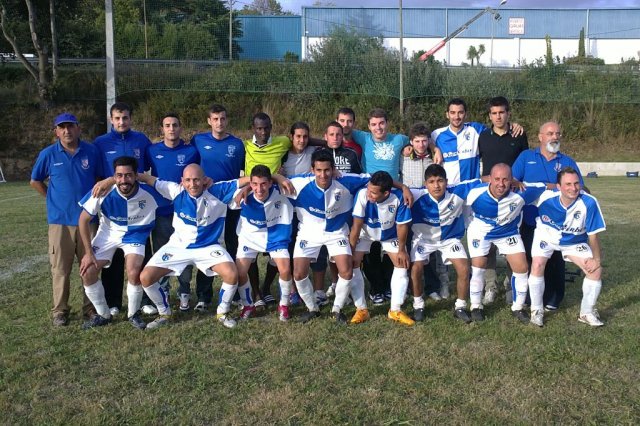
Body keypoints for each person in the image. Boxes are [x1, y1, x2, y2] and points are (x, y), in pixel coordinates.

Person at [286, 149, 411, 324]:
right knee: (299, 274)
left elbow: (377, 178)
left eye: (327, 170)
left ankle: (337, 309)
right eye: (319, 170)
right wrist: (274, 179)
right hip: (309, 232)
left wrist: (403, 187)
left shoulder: (346, 180)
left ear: (334, 169)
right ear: (312, 170)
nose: (323, 174)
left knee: (347, 270)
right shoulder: (299, 183)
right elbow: (268, 182)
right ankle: (312, 308)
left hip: (337, 232)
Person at [136, 164, 259, 329]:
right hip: (178, 247)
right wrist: (115, 179)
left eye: (196, 180)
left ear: (204, 180)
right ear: (182, 181)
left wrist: (275, 178)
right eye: (188, 180)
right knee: (146, 277)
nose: (192, 184)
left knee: (231, 274)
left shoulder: (217, 190)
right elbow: (149, 179)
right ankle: (164, 313)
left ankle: (222, 312)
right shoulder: (176, 190)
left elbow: (248, 180)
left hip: (209, 246)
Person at [30, 113, 104, 326]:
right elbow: (35, 181)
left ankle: (90, 308)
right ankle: (60, 311)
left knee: (90, 266)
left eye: (70, 126)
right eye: (62, 127)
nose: (66, 131)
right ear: (56, 131)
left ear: (78, 128)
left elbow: (99, 180)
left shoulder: (91, 151)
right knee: (60, 269)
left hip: (88, 221)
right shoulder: (48, 154)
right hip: (60, 221)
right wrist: (51, 198)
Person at [77, 156, 168, 330]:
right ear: (113, 177)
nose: (123, 180)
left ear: (136, 176)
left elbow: (178, 192)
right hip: (108, 235)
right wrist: (88, 253)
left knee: (133, 271)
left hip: (135, 236)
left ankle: (133, 314)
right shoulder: (103, 190)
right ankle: (103, 315)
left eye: (128, 175)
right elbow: (83, 220)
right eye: (119, 176)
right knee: (87, 272)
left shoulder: (150, 192)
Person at [512, 121, 585, 311]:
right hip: (529, 219)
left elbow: (581, 188)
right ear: (540, 137)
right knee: (532, 259)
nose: (555, 137)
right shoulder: (526, 157)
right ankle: (530, 298)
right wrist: (539, 186)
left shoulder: (567, 162)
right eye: (550, 133)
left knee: (555, 261)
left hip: (557, 223)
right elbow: (513, 181)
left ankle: (554, 298)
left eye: (558, 134)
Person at [464, 164, 545, 322]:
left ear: (512, 180)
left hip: (508, 232)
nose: (501, 184)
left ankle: (518, 307)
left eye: (505, 180)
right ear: (489, 179)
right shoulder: (475, 191)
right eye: (497, 179)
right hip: (481, 232)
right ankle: (475, 306)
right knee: (478, 267)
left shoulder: (522, 192)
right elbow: (451, 189)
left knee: (522, 268)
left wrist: (581, 189)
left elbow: (547, 187)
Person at [527, 167, 606, 327]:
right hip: (546, 238)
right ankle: (536, 311)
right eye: (568, 184)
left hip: (574, 242)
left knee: (595, 271)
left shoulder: (589, 202)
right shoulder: (545, 197)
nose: (573, 188)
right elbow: (520, 190)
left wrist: (596, 260)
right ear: (558, 186)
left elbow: (593, 235)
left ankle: (587, 312)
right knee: (537, 264)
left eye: (576, 183)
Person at [94, 102, 151, 316]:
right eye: (117, 118)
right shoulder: (100, 143)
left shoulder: (141, 140)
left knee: (141, 252)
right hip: (113, 203)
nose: (121, 122)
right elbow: (98, 174)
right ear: (111, 119)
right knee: (113, 255)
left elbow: (148, 169)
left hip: (138, 203)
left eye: (125, 117)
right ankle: (113, 302)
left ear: (130, 118)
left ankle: (145, 300)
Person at [190, 103, 245, 312]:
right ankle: (203, 297)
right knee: (208, 244)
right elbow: (191, 167)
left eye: (222, 118)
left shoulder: (237, 144)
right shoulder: (198, 140)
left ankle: (235, 292)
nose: (219, 122)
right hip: (207, 202)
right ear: (209, 121)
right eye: (215, 119)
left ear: (227, 120)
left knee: (232, 244)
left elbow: (244, 172)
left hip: (230, 202)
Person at [144, 113, 200, 312]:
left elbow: (199, 174)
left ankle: (184, 291)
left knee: (185, 251)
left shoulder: (191, 151)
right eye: (167, 125)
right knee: (162, 253)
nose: (171, 129)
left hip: (184, 212)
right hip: (160, 212)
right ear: (162, 129)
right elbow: (143, 174)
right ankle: (164, 290)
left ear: (180, 127)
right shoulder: (152, 151)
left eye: (175, 125)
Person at [409, 164, 478, 323]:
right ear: (425, 184)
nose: (436, 186)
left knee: (464, 268)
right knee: (415, 269)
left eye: (440, 181)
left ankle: (460, 307)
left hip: (449, 239)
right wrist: (404, 189)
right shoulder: (416, 194)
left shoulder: (457, 191)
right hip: (423, 240)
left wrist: (512, 181)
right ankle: (418, 305)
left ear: (447, 182)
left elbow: (482, 180)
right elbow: (388, 186)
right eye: (432, 182)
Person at [478, 96, 529, 305]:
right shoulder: (482, 136)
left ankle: (510, 285)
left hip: (512, 198)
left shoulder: (519, 134)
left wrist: (516, 182)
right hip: (489, 197)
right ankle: (490, 286)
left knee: (512, 243)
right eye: (494, 113)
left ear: (508, 114)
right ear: (489, 116)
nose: (498, 116)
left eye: (501, 112)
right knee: (488, 245)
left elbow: (525, 162)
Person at [230, 165, 295, 321]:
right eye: (255, 184)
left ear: (271, 182)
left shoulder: (283, 190)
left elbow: (309, 181)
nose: (259, 189)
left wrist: (279, 177)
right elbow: (218, 190)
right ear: (250, 183)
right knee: (240, 273)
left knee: (285, 270)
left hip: (276, 237)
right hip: (250, 238)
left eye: (264, 184)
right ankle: (248, 305)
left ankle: (284, 305)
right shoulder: (241, 195)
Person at [349, 171, 412, 325]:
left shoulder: (398, 198)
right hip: (365, 234)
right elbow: (356, 226)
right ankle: (361, 309)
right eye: (369, 190)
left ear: (386, 193)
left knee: (402, 264)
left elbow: (402, 226)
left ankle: (395, 310)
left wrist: (402, 250)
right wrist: (350, 251)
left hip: (389, 236)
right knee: (352, 263)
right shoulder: (362, 194)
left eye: (373, 193)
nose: (369, 194)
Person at [400, 122, 449, 302]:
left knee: (430, 248)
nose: (420, 145)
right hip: (410, 207)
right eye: (417, 141)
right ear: (411, 142)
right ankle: (408, 287)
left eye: (424, 141)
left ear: (428, 141)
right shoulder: (403, 156)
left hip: (429, 207)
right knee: (408, 246)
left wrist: (435, 149)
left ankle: (432, 287)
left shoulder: (435, 157)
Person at [432, 97, 523, 185]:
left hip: (472, 187)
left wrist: (512, 125)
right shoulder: (436, 134)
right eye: (452, 113)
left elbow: (497, 129)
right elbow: (424, 141)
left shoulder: (476, 129)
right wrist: (435, 149)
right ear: (447, 114)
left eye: (460, 112)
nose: (456, 117)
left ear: (466, 114)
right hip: (449, 188)